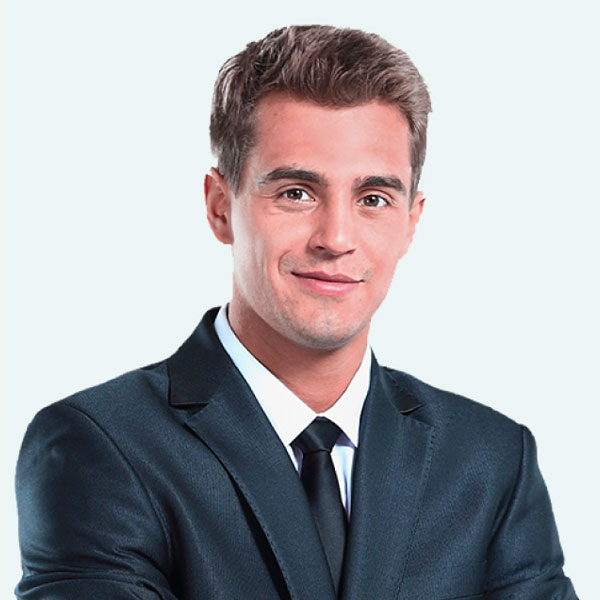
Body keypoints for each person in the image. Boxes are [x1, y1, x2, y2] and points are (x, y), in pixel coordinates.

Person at [15, 25, 577, 599]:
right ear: (220, 208)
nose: (336, 238)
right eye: (296, 193)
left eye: (373, 199)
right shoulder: (102, 446)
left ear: (411, 221)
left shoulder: (490, 459)